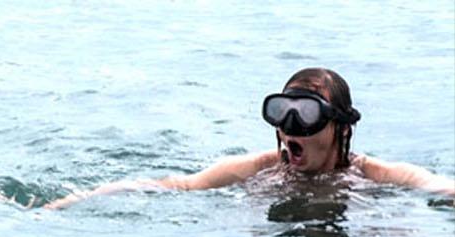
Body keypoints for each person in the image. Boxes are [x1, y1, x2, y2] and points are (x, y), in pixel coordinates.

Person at [41, 67, 455, 210]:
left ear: (341, 128)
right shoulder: (259, 169)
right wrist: (62, 203)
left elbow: (437, 187)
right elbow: (175, 185)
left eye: (307, 115)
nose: (290, 127)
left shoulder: (373, 174)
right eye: (281, 112)